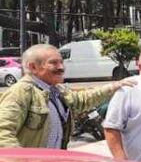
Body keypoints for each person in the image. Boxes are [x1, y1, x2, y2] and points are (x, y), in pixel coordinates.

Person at [0, 43, 133, 149]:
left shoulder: (57, 91)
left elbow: (81, 100)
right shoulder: (21, 92)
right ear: (33, 67)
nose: (61, 67)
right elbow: (3, 133)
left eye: (61, 62)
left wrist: (114, 86)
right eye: (54, 63)